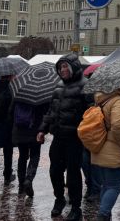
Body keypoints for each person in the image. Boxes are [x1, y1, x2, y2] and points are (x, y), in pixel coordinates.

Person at [37, 54, 88, 221]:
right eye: (60, 67)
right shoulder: (58, 86)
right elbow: (52, 111)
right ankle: (59, 199)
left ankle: (75, 207)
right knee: (55, 171)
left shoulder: (85, 86)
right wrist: (42, 129)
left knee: (73, 174)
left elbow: (91, 114)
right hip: (58, 136)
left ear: (73, 67)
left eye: (66, 66)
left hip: (75, 138)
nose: (62, 70)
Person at [90, 86, 120, 221]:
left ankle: (105, 215)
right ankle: (103, 215)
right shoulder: (117, 101)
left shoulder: (102, 99)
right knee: (115, 185)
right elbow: (118, 125)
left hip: (101, 149)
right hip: (114, 151)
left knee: (107, 185)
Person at [12, 97, 48, 198]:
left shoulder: (19, 95)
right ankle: (29, 179)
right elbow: (46, 113)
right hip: (35, 131)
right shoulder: (42, 97)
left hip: (20, 130)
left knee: (22, 157)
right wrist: (44, 130)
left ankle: (20, 187)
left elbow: (11, 112)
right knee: (35, 156)